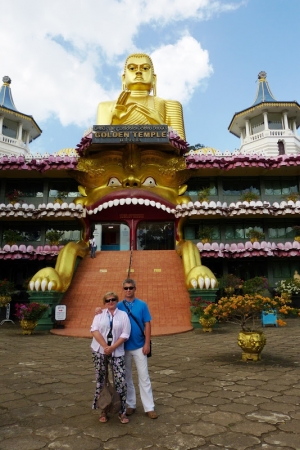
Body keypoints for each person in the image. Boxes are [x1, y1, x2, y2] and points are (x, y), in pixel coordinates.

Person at [95, 278, 158, 419]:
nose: (128, 290)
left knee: (144, 376)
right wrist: (98, 309)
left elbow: (147, 324)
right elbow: (106, 310)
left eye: (130, 288)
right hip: (122, 348)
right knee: (126, 378)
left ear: (135, 288)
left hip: (139, 346)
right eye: (126, 288)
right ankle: (131, 404)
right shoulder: (118, 305)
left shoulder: (142, 305)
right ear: (122, 290)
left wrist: (147, 343)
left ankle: (149, 407)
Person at [96, 53, 186, 141]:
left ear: (154, 79)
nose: (138, 72)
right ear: (124, 78)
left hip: (155, 155)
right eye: (132, 68)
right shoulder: (106, 107)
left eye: (145, 68)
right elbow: (97, 144)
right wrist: (113, 124)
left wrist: (160, 125)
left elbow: (181, 148)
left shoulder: (169, 105)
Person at [91, 291, 131, 424]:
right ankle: (103, 409)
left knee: (120, 380)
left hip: (117, 351)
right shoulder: (99, 314)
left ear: (117, 301)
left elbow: (125, 334)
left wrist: (112, 347)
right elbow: (94, 330)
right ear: (104, 303)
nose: (111, 302)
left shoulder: (123, 315)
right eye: (107, 300)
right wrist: (105, 347)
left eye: (113, 299)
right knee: (101, 380)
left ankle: (122, 411)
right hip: (99, 350)